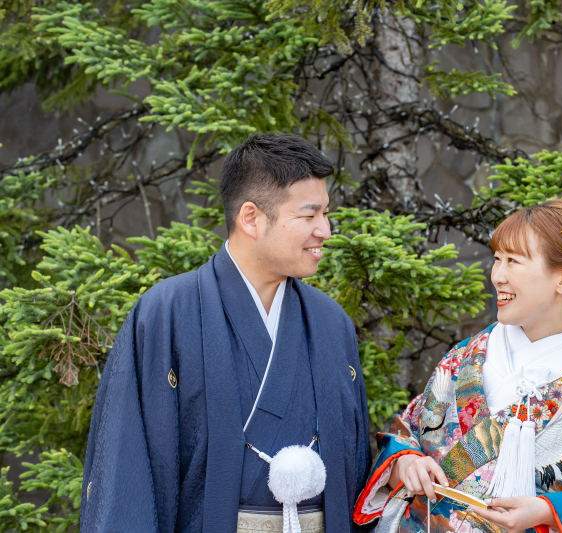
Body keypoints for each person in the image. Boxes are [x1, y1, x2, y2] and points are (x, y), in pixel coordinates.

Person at [80, 133, 371, 532]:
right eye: (309, 215)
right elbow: (125, 470)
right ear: (250, 217)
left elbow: (353, 468)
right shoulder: (167, 313)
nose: (325, 230)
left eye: (325, 213)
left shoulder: (331, 323)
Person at [353, 200, 562, 533]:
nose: (497, 276)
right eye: (497, 259)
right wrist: (406, 463)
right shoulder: (470, 354)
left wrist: (548, 511)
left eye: (513, 261)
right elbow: (409, 430)